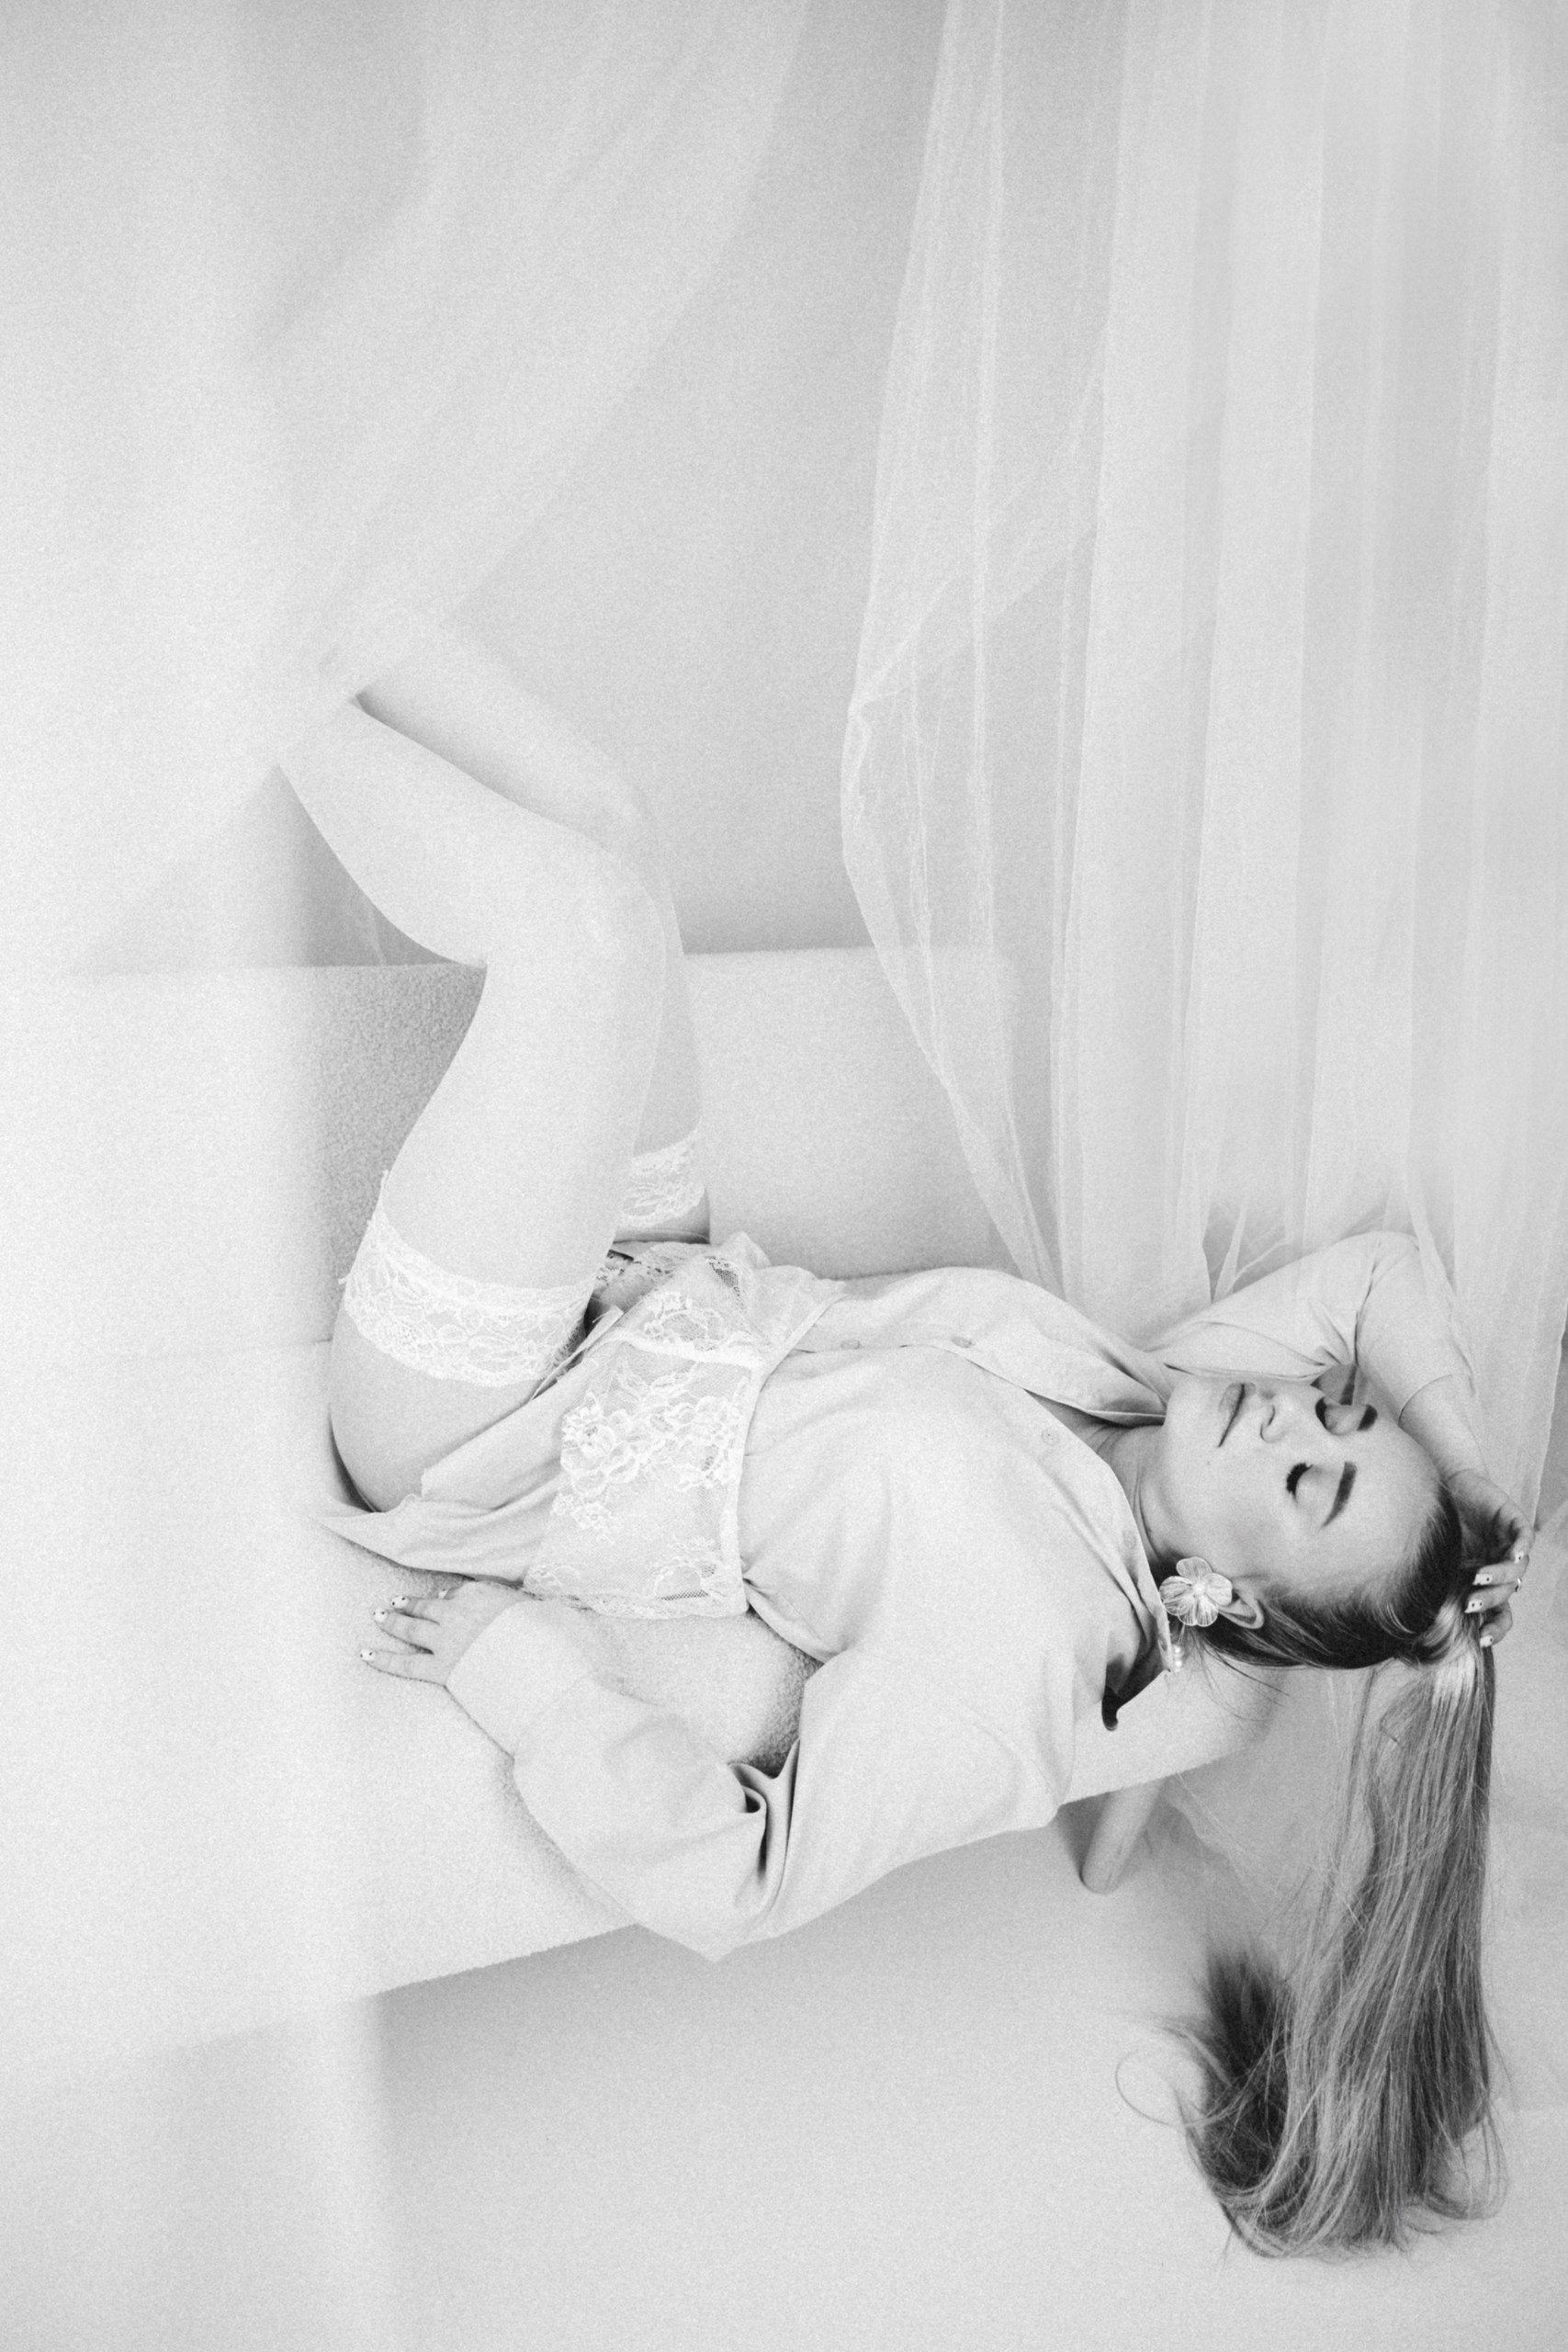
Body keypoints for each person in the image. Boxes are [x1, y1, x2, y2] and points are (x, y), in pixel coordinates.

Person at [282, 626, 1532, 2258]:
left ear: (1228, 1598)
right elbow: (1380, 1278)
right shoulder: (1150, 1398)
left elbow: (747, 1881)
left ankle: (234, 663)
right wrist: (1472, 1481)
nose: (1297, 1408)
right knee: (612, 831)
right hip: (655, 1281)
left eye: (1311, 1479)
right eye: (1340, 1410)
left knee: (578, 933)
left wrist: (520, 1673)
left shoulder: (1015, 1670)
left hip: (499, 1430)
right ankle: (315, 585)